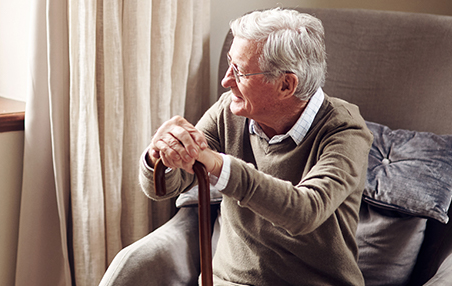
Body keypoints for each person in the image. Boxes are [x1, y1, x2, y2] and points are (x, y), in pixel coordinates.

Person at [140, 8, 373, 285]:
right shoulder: (228, 111)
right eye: (229, 63)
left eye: (239, 71)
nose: (226, 81)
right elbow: (163, 188)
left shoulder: (345, 129)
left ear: (286, 85)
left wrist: (218, 165)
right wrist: (161, 155)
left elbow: (305, 211)